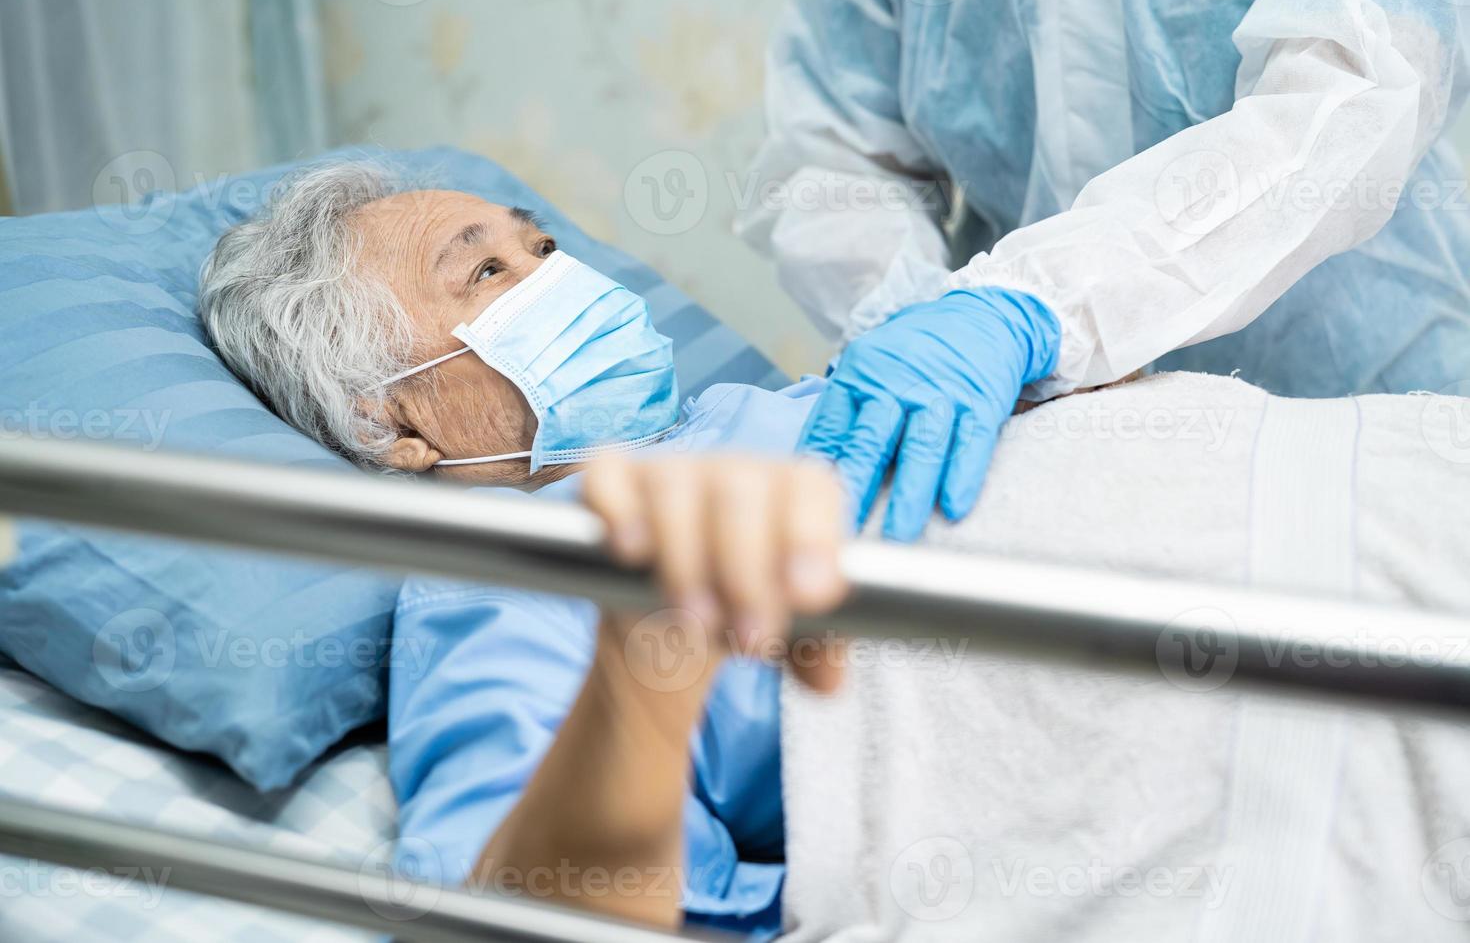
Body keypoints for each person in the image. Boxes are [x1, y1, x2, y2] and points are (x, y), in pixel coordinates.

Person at [199, 164, 1470, 939]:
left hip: (1405, 493)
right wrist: (656, 651)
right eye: (483, 273)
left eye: (540, 243)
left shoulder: (754, 413)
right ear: (396, 422)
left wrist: (1069, 367)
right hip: (1333, 708)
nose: (554, 273)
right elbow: (523, 918)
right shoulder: (514, 571)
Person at [736, 0, 1470, 541]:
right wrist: (921, 317)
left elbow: (1353, 97)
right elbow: (828, 154)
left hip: (1354, 392)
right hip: (1051, 432)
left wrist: (1040, 304)